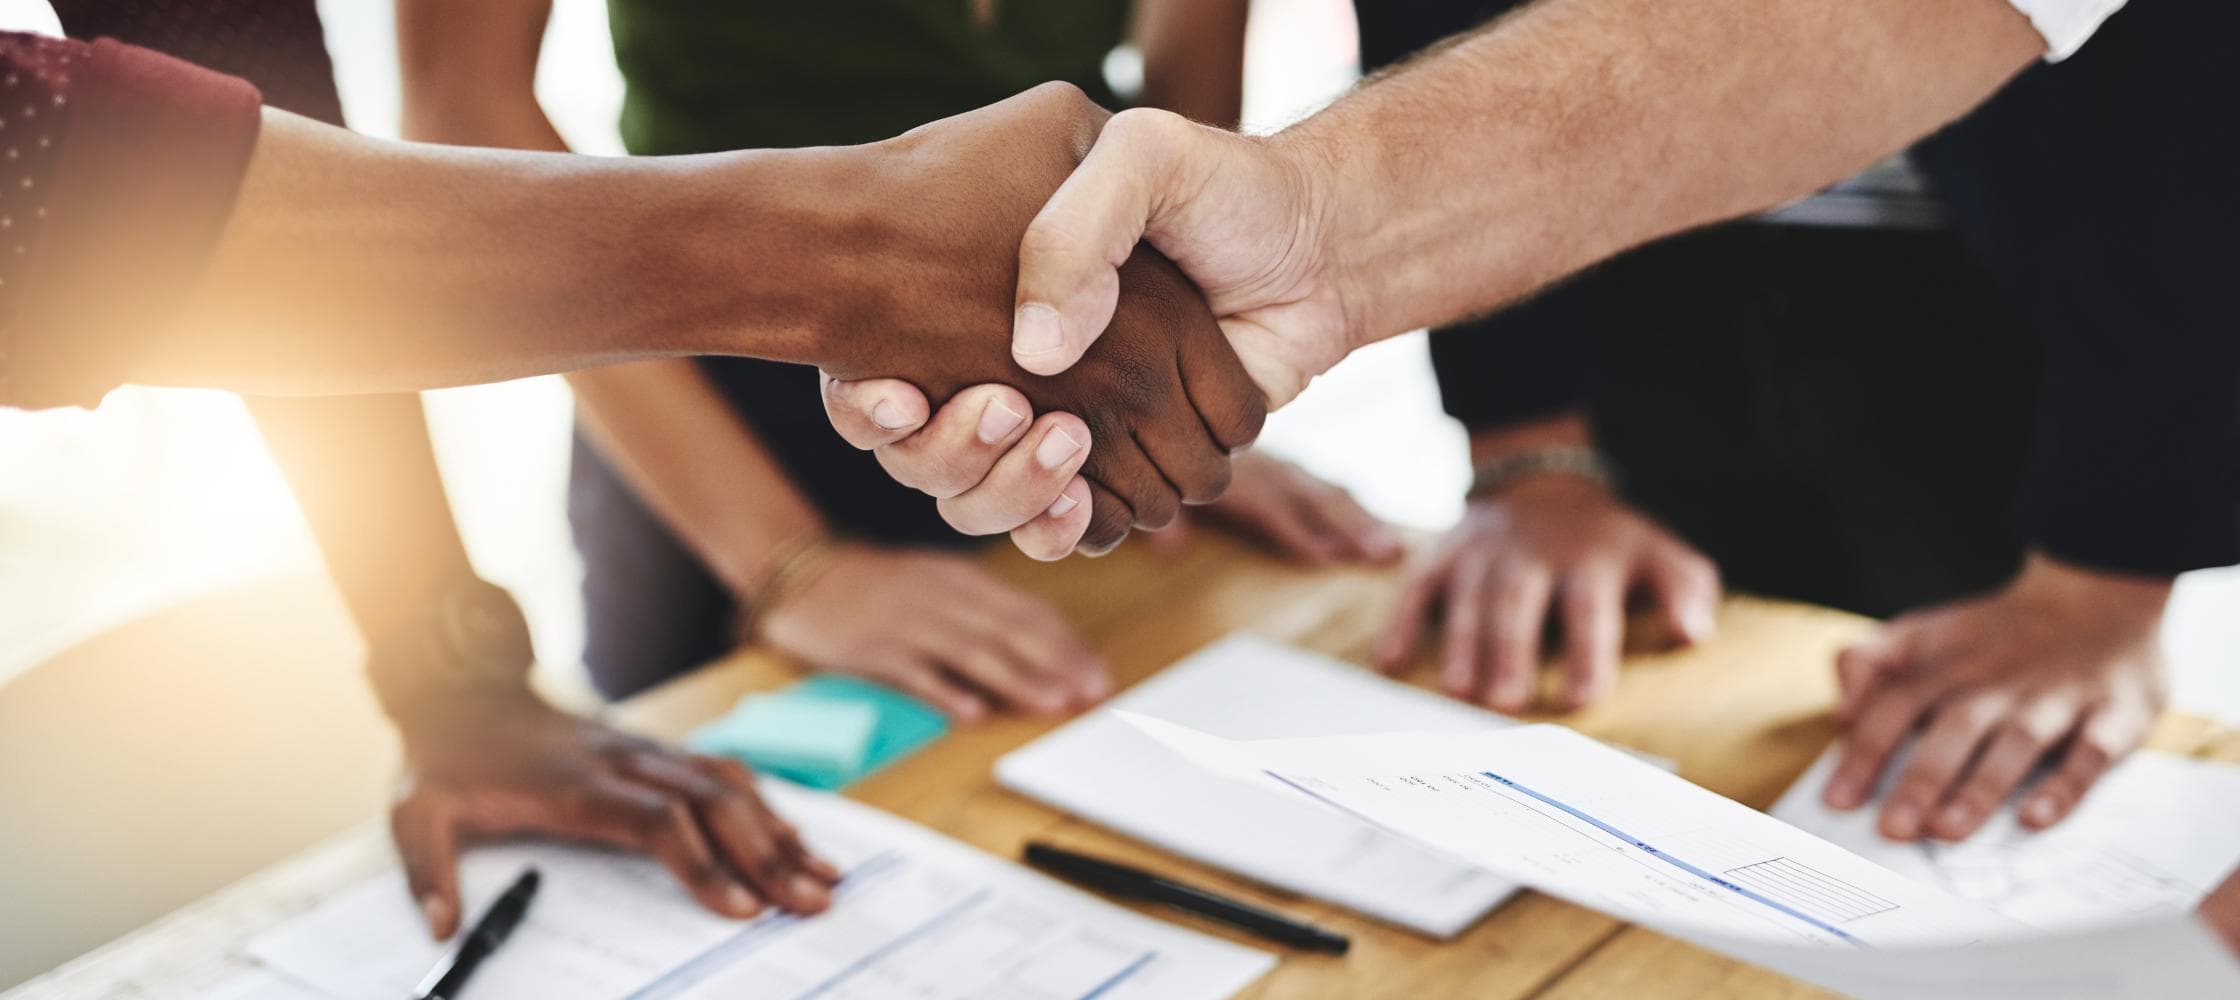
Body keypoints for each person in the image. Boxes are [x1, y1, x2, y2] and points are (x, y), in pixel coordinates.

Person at [1356, 0, 2221, 850]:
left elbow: (2194, 74)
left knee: (1947, 736)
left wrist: (2103, 575)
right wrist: (1532, 447)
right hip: (1634, 292)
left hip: (2027, 297)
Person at [399, 0, 1400, 715]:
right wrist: (787, 565)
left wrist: (1167, 390)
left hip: (1071, 398)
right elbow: (461, 106)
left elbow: (1186, 66)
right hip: (714, 429)